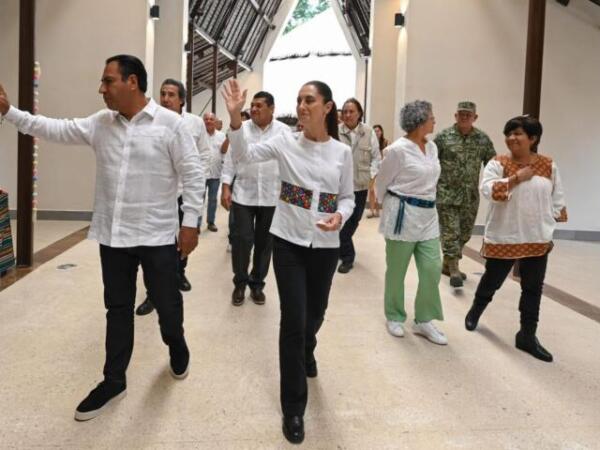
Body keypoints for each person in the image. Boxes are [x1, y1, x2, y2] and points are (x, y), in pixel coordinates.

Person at [0, 55, 204, 420]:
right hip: (115, 235)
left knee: (167, 304)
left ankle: (176, 344)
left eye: (108, 81)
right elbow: (54, 128)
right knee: (118, 309)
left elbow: (192, 173)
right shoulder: (100, 124)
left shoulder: (171, 125)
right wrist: (9, 111)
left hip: (157, 234)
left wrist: (190, 223)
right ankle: (114, 381)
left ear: (132, 83)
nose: (102, 89)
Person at [222, 78, 354, 444]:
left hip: (325, 244)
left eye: (309, 100)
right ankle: (294, 408)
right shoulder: (283, 143)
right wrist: (235, 119)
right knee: (293, 321)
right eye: (298, 100)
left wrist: (339, 217)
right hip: (288, 243)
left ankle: (308, 348)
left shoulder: (340, 154)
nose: (302, 106)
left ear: (327, 107)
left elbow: (346, 198)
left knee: (316, 313)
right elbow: (245, 155)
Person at [465, 115, 567, 362]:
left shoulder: (548, 165)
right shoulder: (498, 163)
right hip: (505, 236)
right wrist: (516, 178)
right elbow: (488, 190)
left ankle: (527, 335)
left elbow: (557, 197)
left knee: (533, 289)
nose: (511, 138)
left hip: (536, 239)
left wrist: (549, 221)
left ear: (533, 138)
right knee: (492, 281)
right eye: (509, 133)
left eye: (518, 134)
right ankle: (475, 311)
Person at [136, 78, 211, 316]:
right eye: (163, 94)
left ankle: (180, 272)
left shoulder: (195, 123)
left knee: (182, 240)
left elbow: (204, 156)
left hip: (184, 194)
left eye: (171, 95)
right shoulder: (151, 121)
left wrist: (196, 186)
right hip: (158, 195)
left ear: (182, 100)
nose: (166, 99)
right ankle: (152, 295)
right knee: (154, 248)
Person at [376, 100, 447, 345]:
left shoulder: (433, 147)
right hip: (402, 215)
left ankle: (423, 320)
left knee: (432, 268)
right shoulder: (398, 150)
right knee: (397, 270)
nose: (434, 120)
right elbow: (382, 182)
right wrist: (388, 205)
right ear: (419, 121)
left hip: (428, 216)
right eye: (431, 117)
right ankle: (394, 315)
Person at [221, 91, 289, 306]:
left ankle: (257, 284)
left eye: (259, 105)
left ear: (272, 108)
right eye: (252, 105)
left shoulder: (284, 132)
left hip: (272, 196)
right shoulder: (241, 129)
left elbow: (289, 163)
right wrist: (225, 186)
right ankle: (240, 283)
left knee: (264, 244)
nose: (254, 109)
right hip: (243, 194)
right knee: (241, 241)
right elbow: (231, 160)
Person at [435, 101, 496, 287]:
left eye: (468, 115)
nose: (464, 117)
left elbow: (492, 164)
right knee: (450, 232)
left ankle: (447, 264)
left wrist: (497, 184)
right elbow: (431, 162)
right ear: (455, 116)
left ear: (475, 118)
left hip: (470, 196)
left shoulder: (482, 140)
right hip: (446, 194)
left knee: (464, 233)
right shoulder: (443, 137)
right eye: (461, 114)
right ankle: (454, 268)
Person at [337, 98, 381, 273]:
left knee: (353, 221)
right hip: (337, 187)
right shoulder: (334, 131)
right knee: (337, 220)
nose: (347, 115)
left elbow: (376, 158)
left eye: (351, 111)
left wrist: (370, 177)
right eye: (345, 111)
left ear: (359, 113)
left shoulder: (368, 132)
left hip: (360, 187)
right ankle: (347, 257)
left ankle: (342, 249)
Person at [202, 112, 227, 232]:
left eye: (211, 119)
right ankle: (195, 224)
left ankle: (211, 222)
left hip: (215, 174)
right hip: (201, 173)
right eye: (206, 119)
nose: (208, 121)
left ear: (215, 121)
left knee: (213, 200)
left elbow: (224, 152)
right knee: (198, 199)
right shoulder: (199, 135)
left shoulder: (221, 136)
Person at [367, 124, 388, 218]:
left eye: (378, 130)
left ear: (381, 132)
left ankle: (377, 210)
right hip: (372, 168)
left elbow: (388, 156)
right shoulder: (369, 142)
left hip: (383, 168)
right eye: (374, 131)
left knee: (379, 190)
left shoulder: (386, 142)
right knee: (371, 190)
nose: (376, 132)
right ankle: (371, 210)